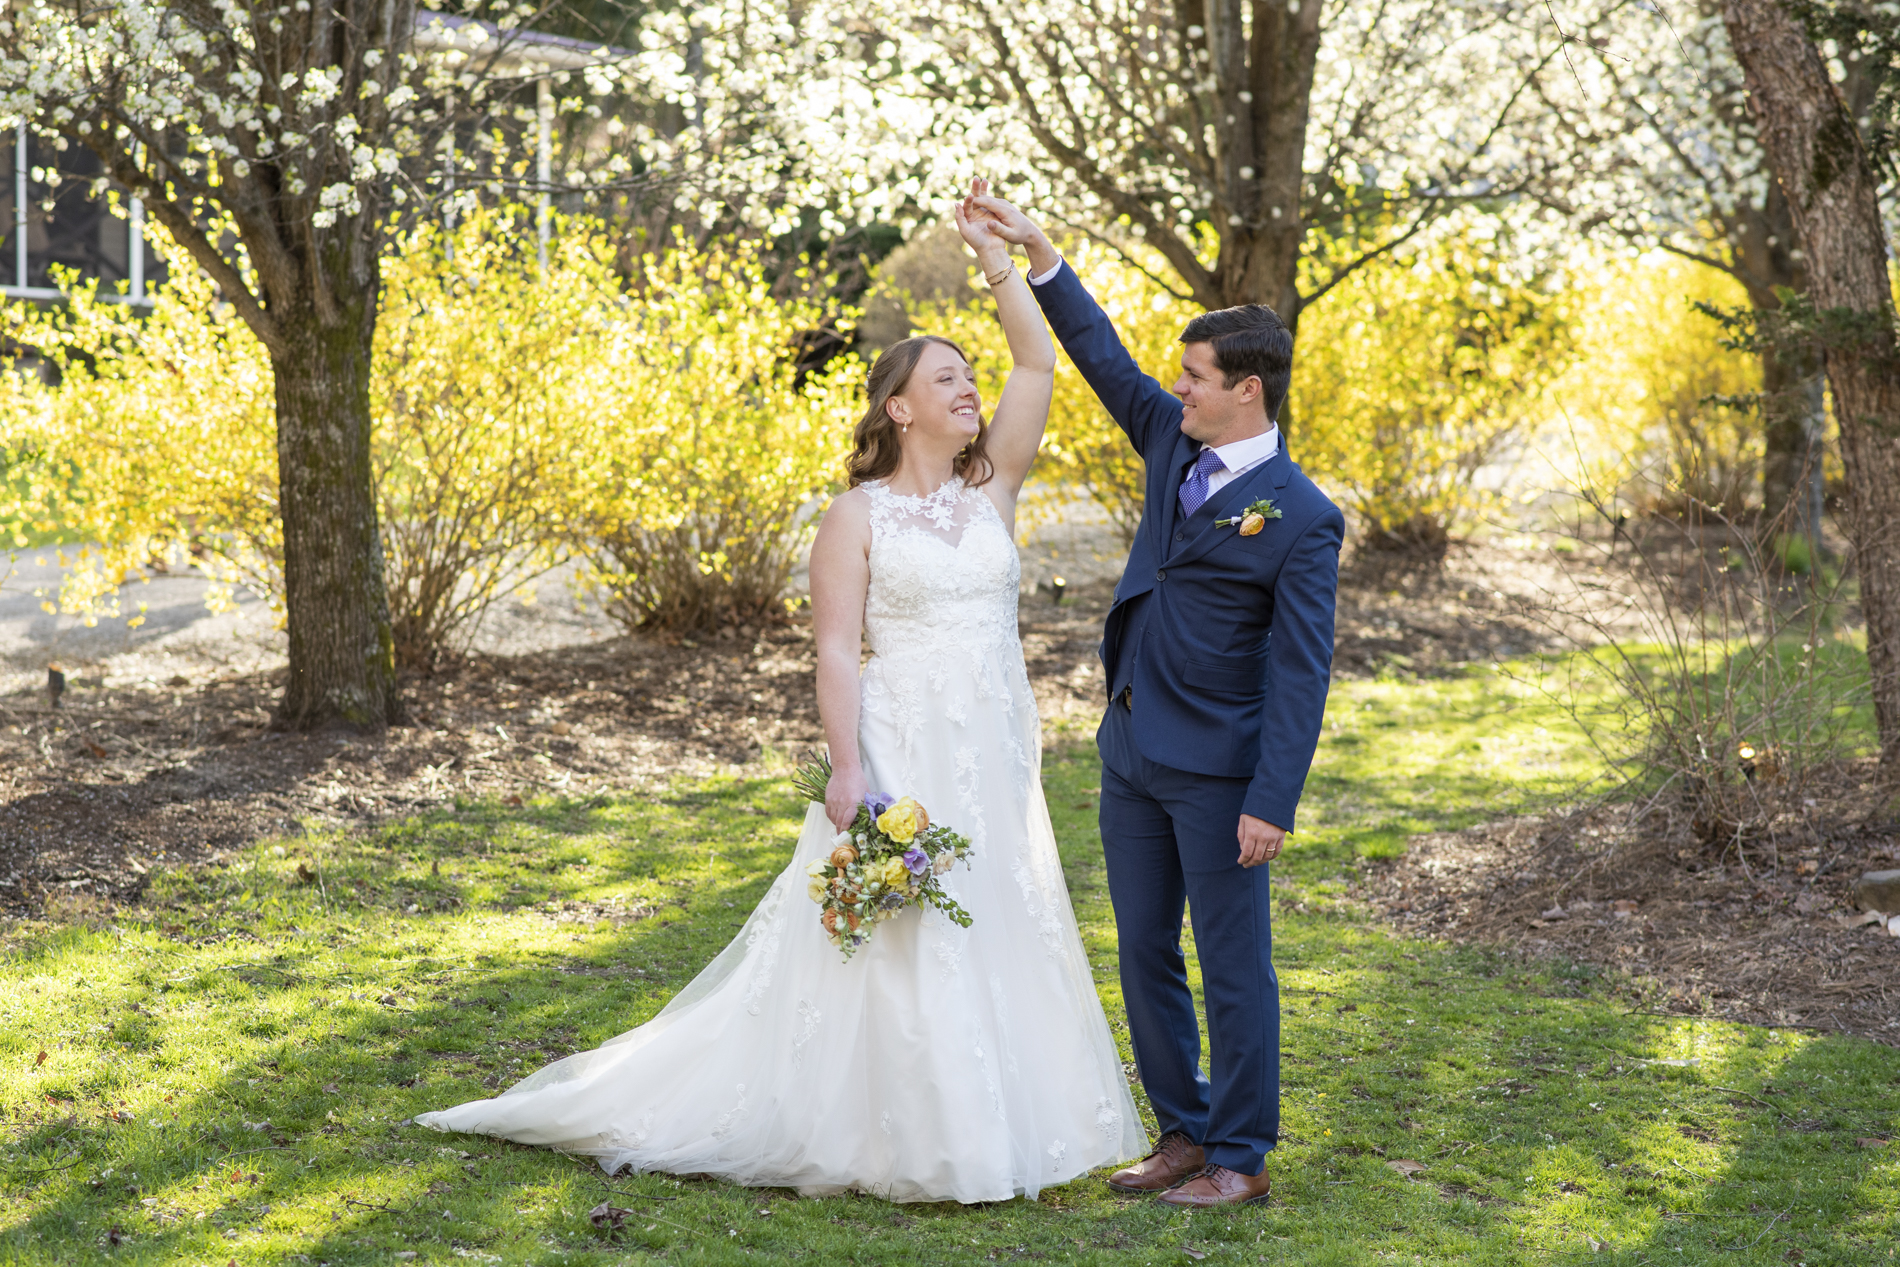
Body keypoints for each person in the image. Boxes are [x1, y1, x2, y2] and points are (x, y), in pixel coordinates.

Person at [413, 181, 1147, 1203]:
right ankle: (923, 1137)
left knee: (998, 904)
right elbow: (838, 651)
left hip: (995, 730)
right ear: (898, 408)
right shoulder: (855, 517)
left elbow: (1034, 360)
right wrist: (849, 766)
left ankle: (1006, 1120)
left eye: (967, 376)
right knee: (905, 924)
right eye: (947, 378)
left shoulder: (996, 489)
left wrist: (1006, 257)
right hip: (902, 736)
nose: (970, 389)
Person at [960, 193, 1344, 1208]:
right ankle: (1180, 1131)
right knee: (1141, 950)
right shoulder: (1171, 441)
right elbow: (1102, 359)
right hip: (1129, 755)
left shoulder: (1302, 519)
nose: (1175, 387)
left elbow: (1302, 669)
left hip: (1223, 777)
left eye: (1196, 377)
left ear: (1246, 392)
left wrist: (1272, 797)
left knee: (1233, 969)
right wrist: (1042, 260)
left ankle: (1241, 1155)